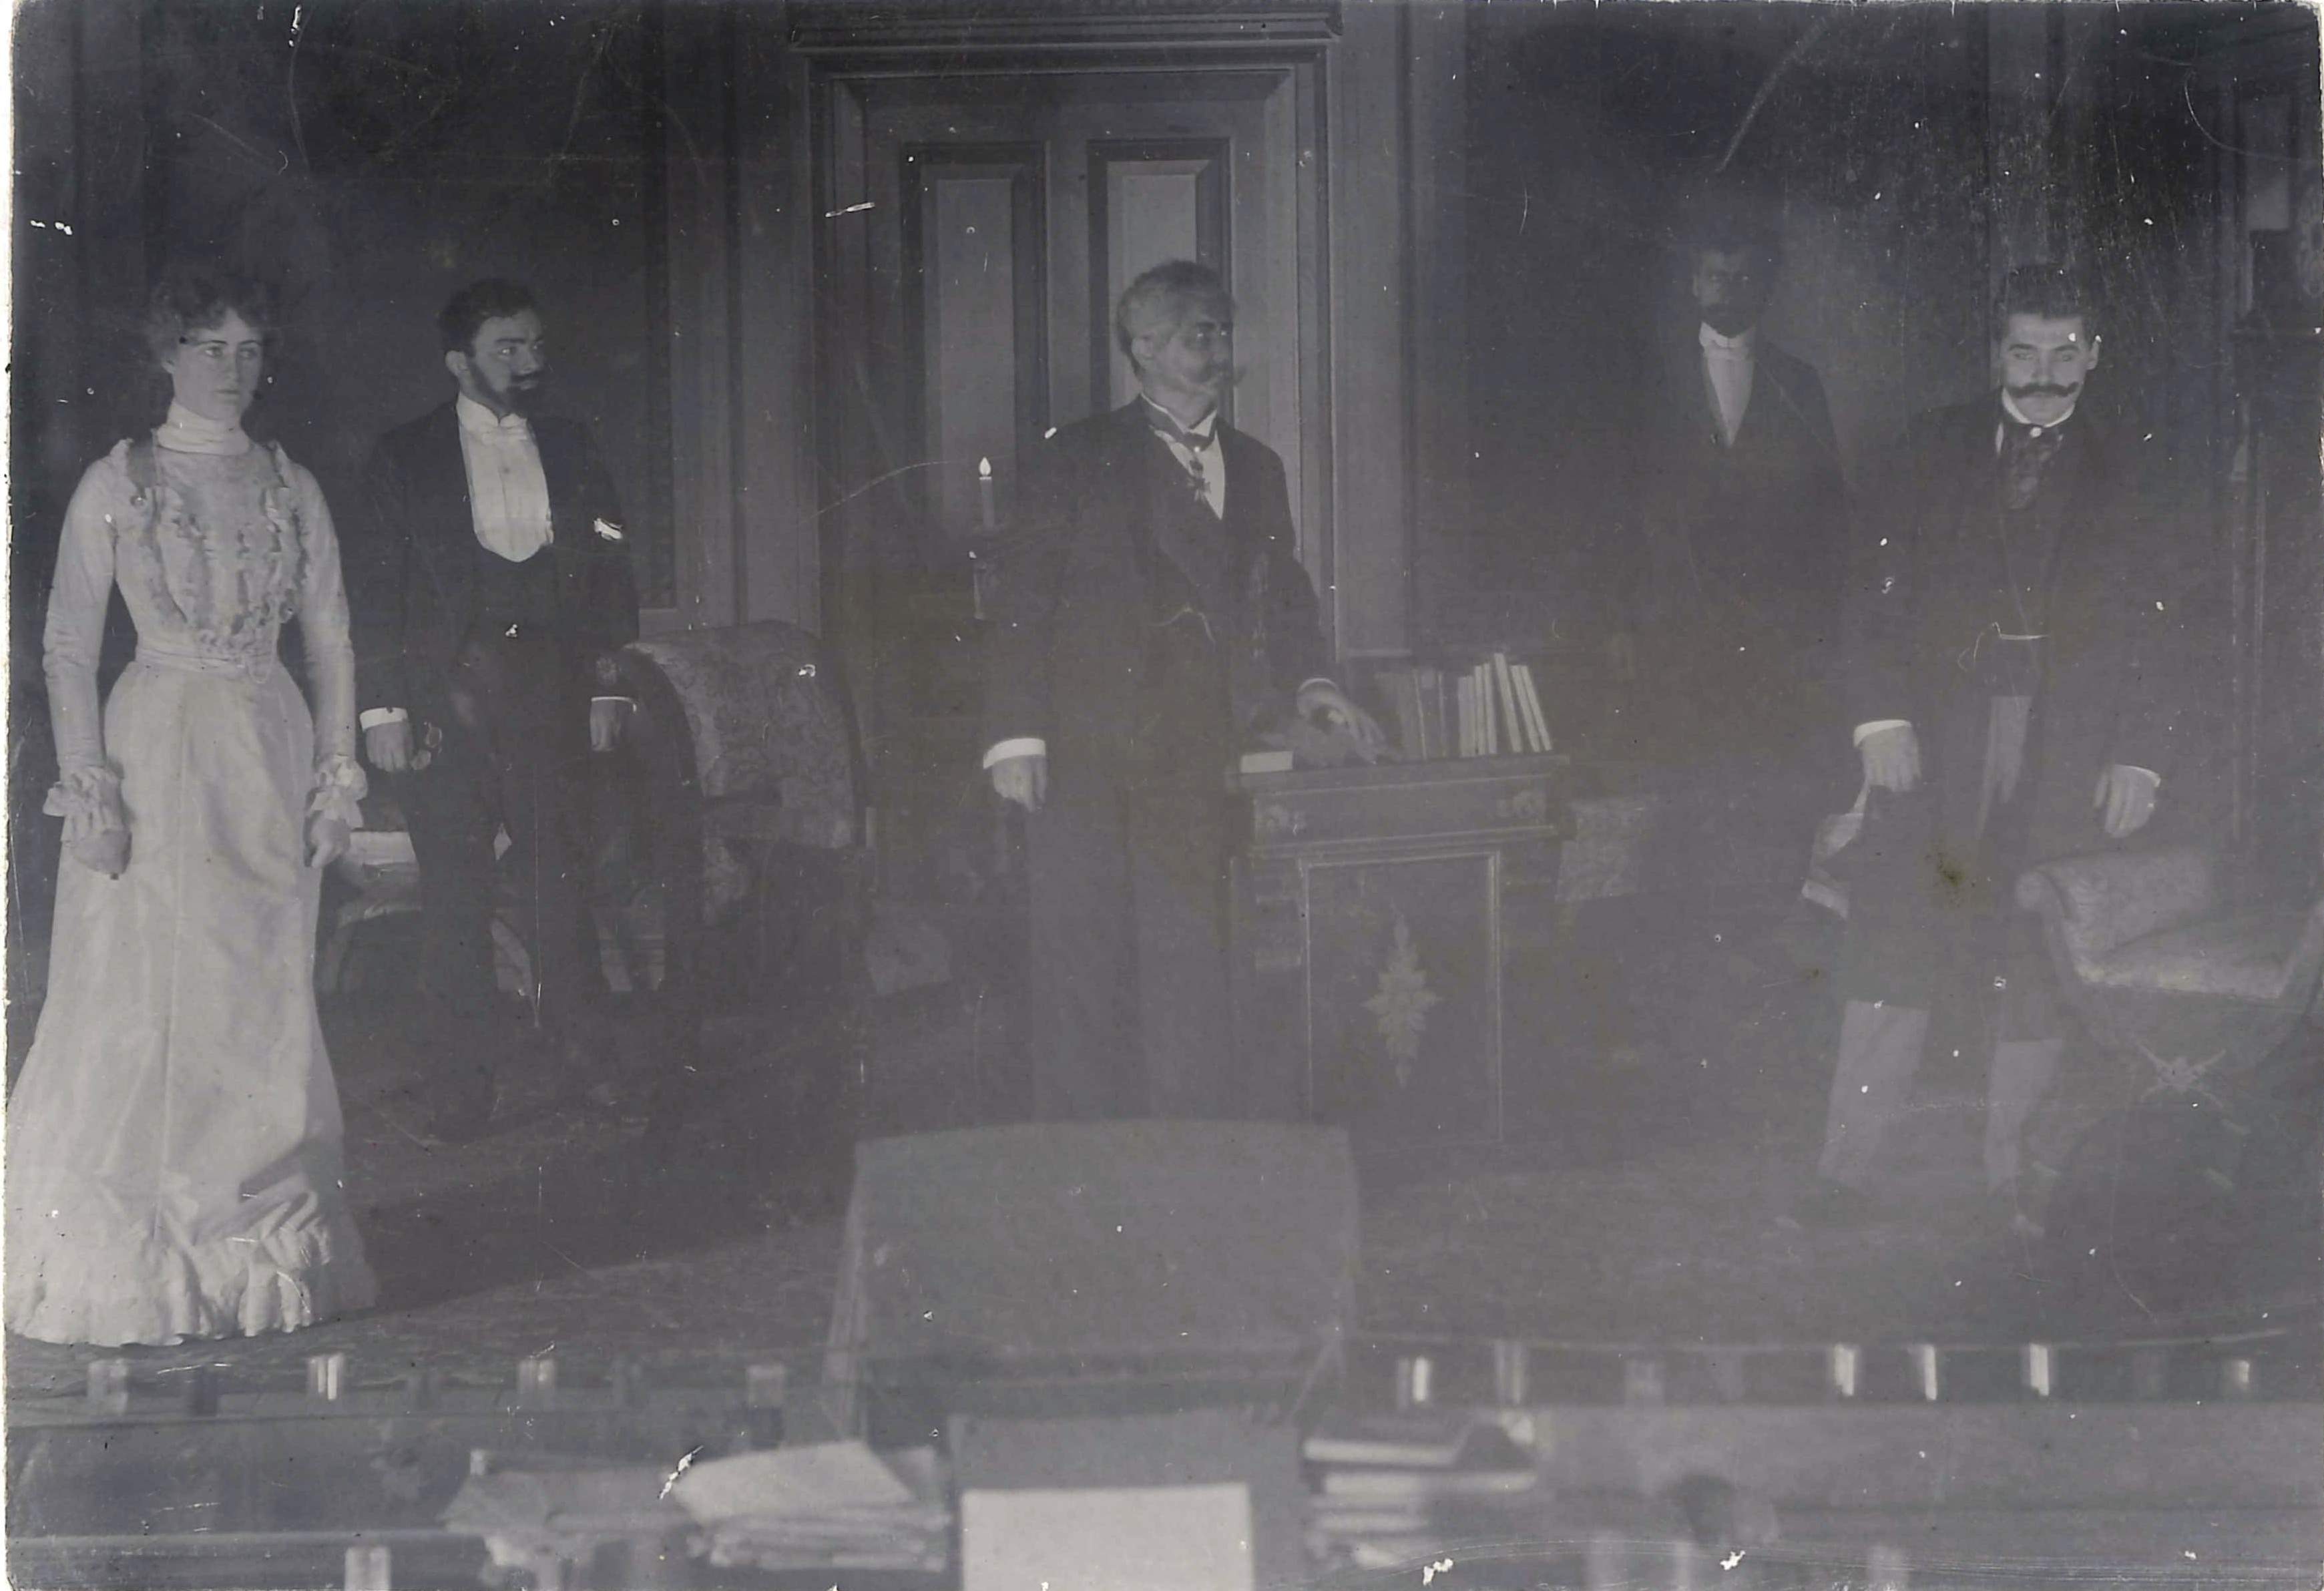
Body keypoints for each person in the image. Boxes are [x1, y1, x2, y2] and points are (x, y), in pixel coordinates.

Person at [4, 270, 377, 1345]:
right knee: (142, 996)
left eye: (250, 350)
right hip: (155, 749)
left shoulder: (291, 485)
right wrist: (91, 790)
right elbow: (67, 647)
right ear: (167, 355)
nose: (233, 369)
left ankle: (251, 1242)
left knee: (256, 996)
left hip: (266, 747)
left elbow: (332, 639)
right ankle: (136, 1259)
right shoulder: (117, 482)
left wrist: (334, 780)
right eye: (211, 348)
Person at [1793, 263, 2187, 1230]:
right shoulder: (1924, 448)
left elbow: (2172, 619)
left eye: (2065, 351)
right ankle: (1846, 1170)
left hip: (2070, 737)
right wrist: (1879, 720)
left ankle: (2015, 1171)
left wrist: (2140, 754)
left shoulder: (2135, 463)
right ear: (1995, 354)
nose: (2045, 371)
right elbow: (1870, 592)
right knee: (1896, 927)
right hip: (1934, 732)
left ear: (2093, 354)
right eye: (2025, 351)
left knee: (2035, 942)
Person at [983, 260, 1381, 1121]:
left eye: (1225, 333)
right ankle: (1077, 1158)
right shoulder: (1076, 455)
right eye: (1201, 335)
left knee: (1190, 951)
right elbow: (1022, 600)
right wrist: (1016, 736)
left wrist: (1316, 686)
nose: (1220, 352)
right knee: (1079, 957)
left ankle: (1187, 1150)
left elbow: (1285, 598)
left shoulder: (1258, 466)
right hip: (1081, 748)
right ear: (1145, 348)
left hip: (1196, 749)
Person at [355, 280, 640, 1140]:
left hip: (550, 696)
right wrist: (383, 710)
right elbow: (377, 588)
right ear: (459, 362)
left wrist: (607, 683)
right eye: (507, 349)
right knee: (457, 903)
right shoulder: (405, 456)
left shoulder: (573, 445)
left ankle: (590, 1063)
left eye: (536, 346)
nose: (529, 363)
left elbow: (612, 569)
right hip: (444, 706)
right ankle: (459, 1094)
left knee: (561, 887)